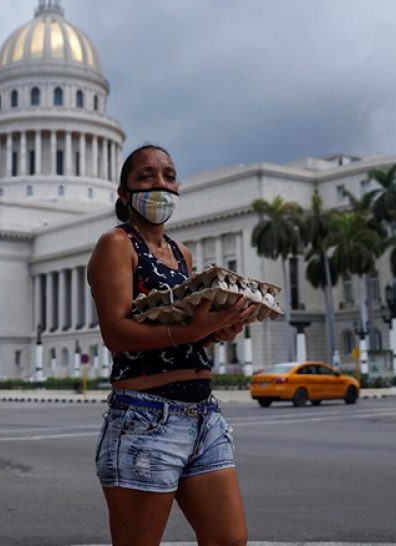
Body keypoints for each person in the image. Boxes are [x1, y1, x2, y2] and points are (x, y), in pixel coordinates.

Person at [87, 144, 258, 546]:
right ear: (124, 193)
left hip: (203, 414)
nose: (161, 184)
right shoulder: (117, 244)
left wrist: (221, 328)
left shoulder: (182, 254)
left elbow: (183, 329)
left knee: (229, 540)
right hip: (147, 419)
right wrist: (195, 332)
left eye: (168, 175)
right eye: (146, 176)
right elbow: (116, 333)